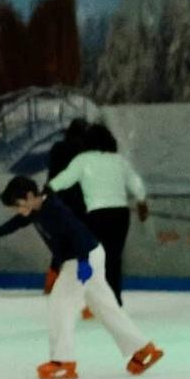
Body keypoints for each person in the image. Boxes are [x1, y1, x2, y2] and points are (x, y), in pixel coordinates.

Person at [0, 177, 164, 379]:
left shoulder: (54, 209)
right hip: (90, 254)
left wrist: (82, 262)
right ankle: (143, 349)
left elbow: (76, 232)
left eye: (17, 205)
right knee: (105, 307)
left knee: (60, 304)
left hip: (82, 257)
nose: (18, 210)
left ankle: (63, 361)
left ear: (29, 196)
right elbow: (19, 221)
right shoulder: (36, 208)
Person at [50, 123, 148, 305]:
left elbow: (65, 179)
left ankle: (96, 300)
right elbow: (136, 183)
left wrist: (47, 190)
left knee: (95, 257)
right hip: (120, 214)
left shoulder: (83, 160)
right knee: (114, 258)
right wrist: (142, 201)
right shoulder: (119, 160)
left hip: (97, 214)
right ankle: (115, 299)